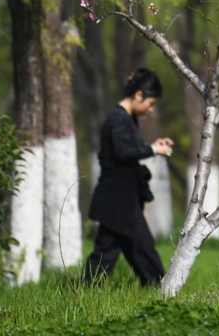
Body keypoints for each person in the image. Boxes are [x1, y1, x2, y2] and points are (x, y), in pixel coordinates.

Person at [83, 68, 174, 287]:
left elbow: (128, 149)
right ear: (138, 95)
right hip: (118, 200)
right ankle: (161, 290)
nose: (151, 110)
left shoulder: (126, 118)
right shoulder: (118, 119)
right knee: (141, 247)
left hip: (119, 199)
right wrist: (153, 149)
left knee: (111, 251)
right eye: (150, 103)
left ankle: (87, 291)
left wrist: (153, 147)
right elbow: (124, 152)